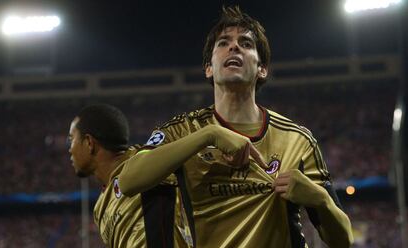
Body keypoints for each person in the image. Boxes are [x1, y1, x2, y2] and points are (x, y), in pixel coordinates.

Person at [119, 6, 353, 248]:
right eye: (223, 43)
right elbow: (128, 181)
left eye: (246, 43)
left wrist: (321, 200)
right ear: (208, 68)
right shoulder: (183, 131)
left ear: (262, 69)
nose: (234, 47)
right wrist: (209, 135)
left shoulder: (297, 140)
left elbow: (343, 241)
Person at [68, 104, 193, 248]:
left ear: (89, 142)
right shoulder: (100, 209)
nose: (70, 149)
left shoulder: (146, 163)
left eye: (71, 139)